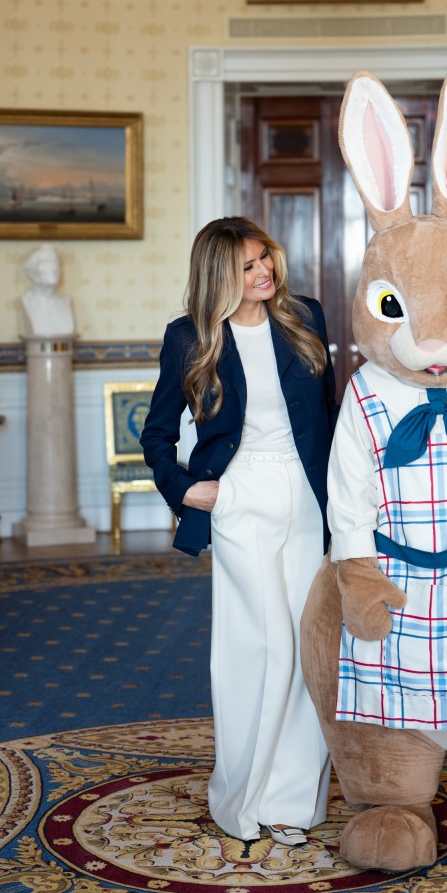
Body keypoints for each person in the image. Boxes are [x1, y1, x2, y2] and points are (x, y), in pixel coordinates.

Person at [140, 216, 337, 847]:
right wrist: (185, 489)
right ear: (219, 274)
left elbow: (329, 417)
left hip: (306, 496)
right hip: (240, 494)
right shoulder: (189, 337)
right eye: (248, 266)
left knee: (306, 650)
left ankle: (289, 803)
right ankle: (239, 797)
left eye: (266, 259)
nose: (264, 273)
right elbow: (157, 431)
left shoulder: (305, 318)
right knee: (260, 647)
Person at [20, 243, 76, 337]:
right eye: (46, 263)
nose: (54, 269)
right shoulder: (27, 301)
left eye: (56, 263)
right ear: (34, 271)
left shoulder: (65, 300)